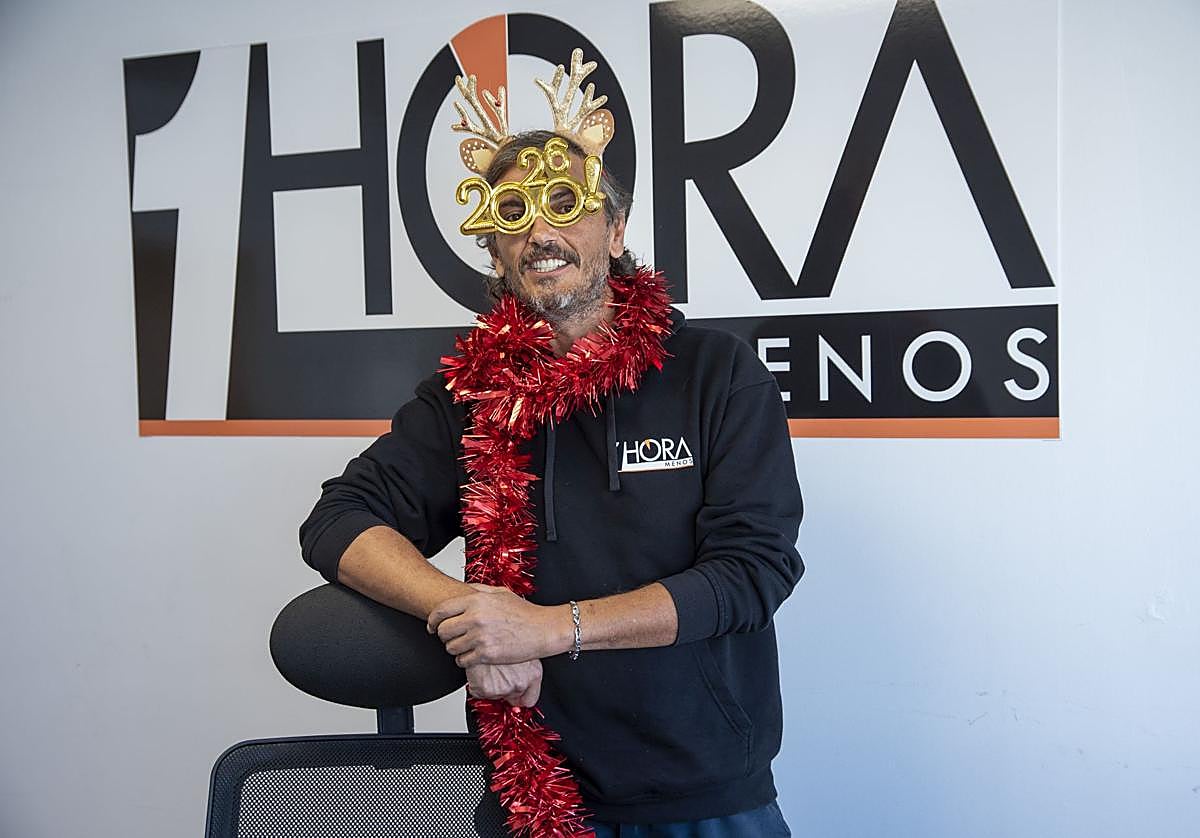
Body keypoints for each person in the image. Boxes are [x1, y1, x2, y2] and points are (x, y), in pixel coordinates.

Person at [300, 49, 803, 838]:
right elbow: (338, 520)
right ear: (495, 251)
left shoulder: (717, 374)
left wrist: (550, 627)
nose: (539, 232)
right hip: (532, 792)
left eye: (564, 203)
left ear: (616, 228)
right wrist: (471, 618)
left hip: (702, 797)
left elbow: (752, 572)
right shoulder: (467, 399)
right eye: (512, 215)